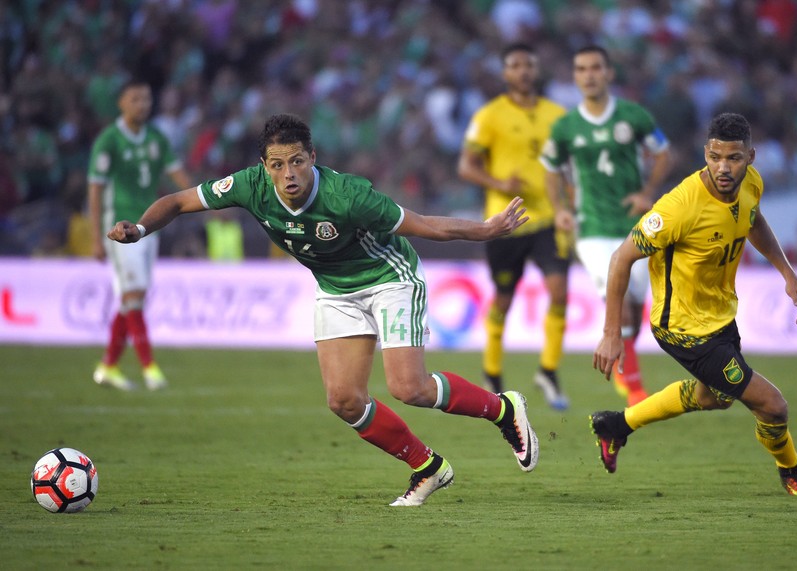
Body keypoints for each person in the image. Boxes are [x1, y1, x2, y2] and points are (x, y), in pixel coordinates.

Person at [107, 113, 540, 506]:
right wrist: (142, 227)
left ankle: (504, 410)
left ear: (312, 157)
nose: (288, 173)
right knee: (344, 400)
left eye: (297, 161)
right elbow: (180, 201)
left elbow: (425, 225)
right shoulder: (249, 186)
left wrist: (485, 230)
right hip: (335, 290)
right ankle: (427, 468)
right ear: (264, 167)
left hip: (389, 280)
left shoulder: (348, 195)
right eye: (277, 164)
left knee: (410, 388)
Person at [589, 112, 797, 496]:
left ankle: (616, 425)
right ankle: (793, 473)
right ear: (705, 153)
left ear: (750, 157)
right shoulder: (679, 208)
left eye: (733, 158)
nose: (723, 167)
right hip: (683, 328)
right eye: (715, 157)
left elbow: (753, 220)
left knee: (712, 397)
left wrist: (787, 272)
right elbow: (620, 258)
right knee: (772, 406)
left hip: (719, 317)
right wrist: (612, 333)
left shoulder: (752, 183)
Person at [542, 45, 673, 407]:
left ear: (608, 73)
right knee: (620, 303)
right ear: (575, 76)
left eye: (595, 68)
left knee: (636, 305)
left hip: (636, 225)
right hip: (593, 228)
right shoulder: (566, 126)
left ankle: (625, 367)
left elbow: (663, 154)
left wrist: (648, 192)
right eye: (581, 68)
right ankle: (634, 389)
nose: (589, 74)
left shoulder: (633, 116)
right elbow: (551, 169)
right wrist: (560, 209)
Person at [457, 43, 571, 410]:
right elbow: (466, 166)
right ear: (505, 73)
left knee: (559, 291)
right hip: (505, 222)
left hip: (548, 220)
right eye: (515, 65)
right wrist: (500, 184)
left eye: (528, 64)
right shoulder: (489, 115)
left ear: (536, 70)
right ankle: (492, 371)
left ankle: (548, 372)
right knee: (503, 299)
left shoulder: (558, 115)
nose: (522, 71)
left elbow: (571, 164)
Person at [88, 78, 192, 391]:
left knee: (133, 298)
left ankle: (108, 366)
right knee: (133, 295)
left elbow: (178, 176)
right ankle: (150, 368)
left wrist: (205, 199)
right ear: (121, 103)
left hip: (149, 224)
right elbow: (96, 190)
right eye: (135, 99)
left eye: (146, 99)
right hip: (120, 227)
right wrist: (96, 237)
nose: (142, 105)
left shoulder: (157, 138)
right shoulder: (109, 140)